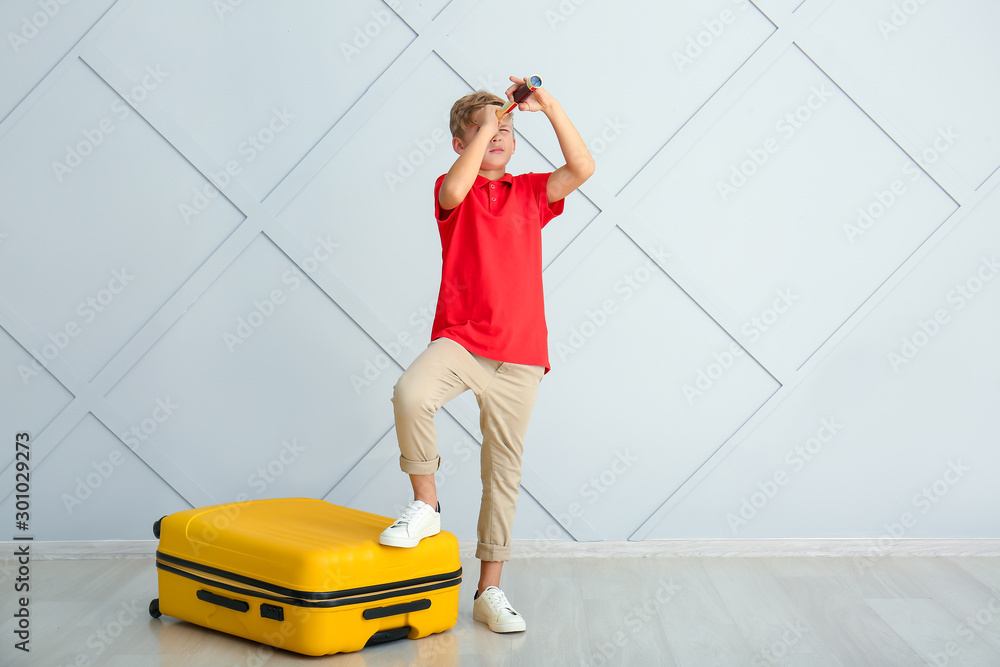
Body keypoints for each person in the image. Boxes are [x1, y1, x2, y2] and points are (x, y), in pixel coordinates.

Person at [379, 75, 594, 633]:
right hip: (464, 340)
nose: (498, 134)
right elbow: (455, 189)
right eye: (482, 129)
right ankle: (426, 505)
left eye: (506, 129)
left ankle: (489, 592)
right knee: (411, 394)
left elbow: (582, 168)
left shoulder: (529, 193)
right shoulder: (453, 190)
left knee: (503, 471)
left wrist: (545, 104)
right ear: (461, 143)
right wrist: (489, 121)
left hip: (521, 353)